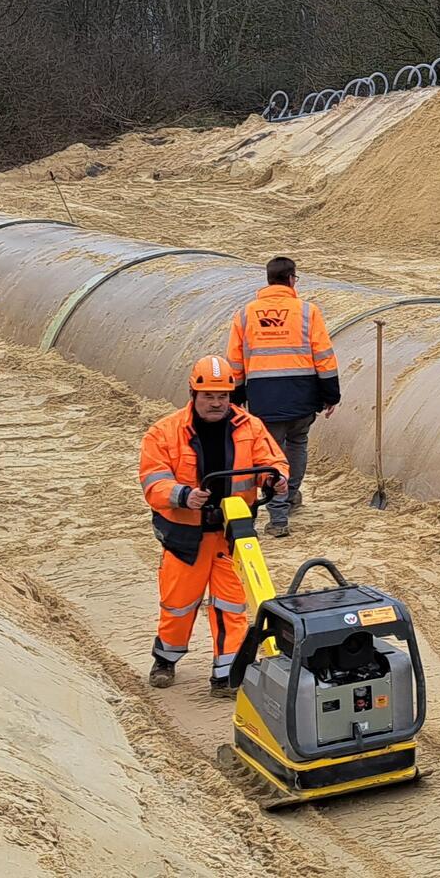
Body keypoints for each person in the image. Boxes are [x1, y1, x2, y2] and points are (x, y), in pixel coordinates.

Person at [139, 355, 288, 694]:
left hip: (232, 532)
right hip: (186, 535)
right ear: (193, 394)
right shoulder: (164, 433)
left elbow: (272, 461)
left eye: (223, 396)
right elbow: (153, 480)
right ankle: (166, 659)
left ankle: (226, 676)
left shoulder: (250, 427)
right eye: (210, 396)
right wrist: (181, 495)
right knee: (179, 604)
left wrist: (274, 479)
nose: (217, 403)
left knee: (231, 606)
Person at [225, 257, 339, 538]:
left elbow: (234, 362)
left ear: (268, 280)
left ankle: (278, 516)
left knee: (270, 455)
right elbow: (324, 355)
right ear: (291, 279)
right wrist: (331, 394)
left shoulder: (244, 314)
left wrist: (236, 398)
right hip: (302, 396)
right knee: (298, 444)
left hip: (264, 399)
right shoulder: (307, 312)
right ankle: (287, 500)